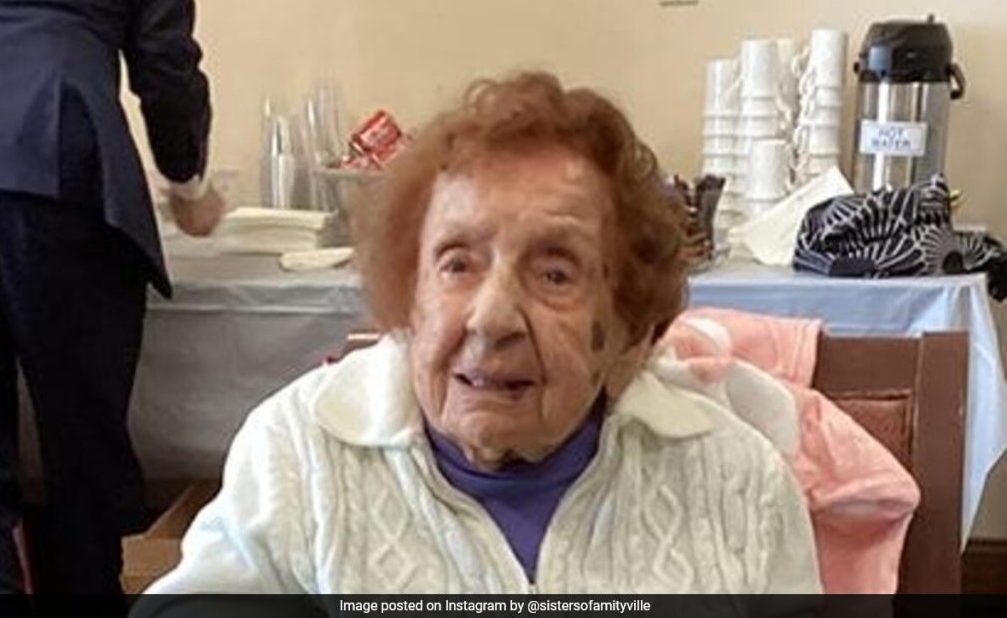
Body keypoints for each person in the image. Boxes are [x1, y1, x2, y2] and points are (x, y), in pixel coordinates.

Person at [143, 72, 820, 594]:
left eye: (554, 273)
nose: (492, 318)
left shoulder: (737, 486)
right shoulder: (297, 456)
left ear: (629, 334)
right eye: (458, 264)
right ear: (409, 295)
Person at [0, 0, 222, 595]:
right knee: (84, 446)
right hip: (53, 153)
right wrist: (188, 182)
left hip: (41, 150)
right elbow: (165, 67)